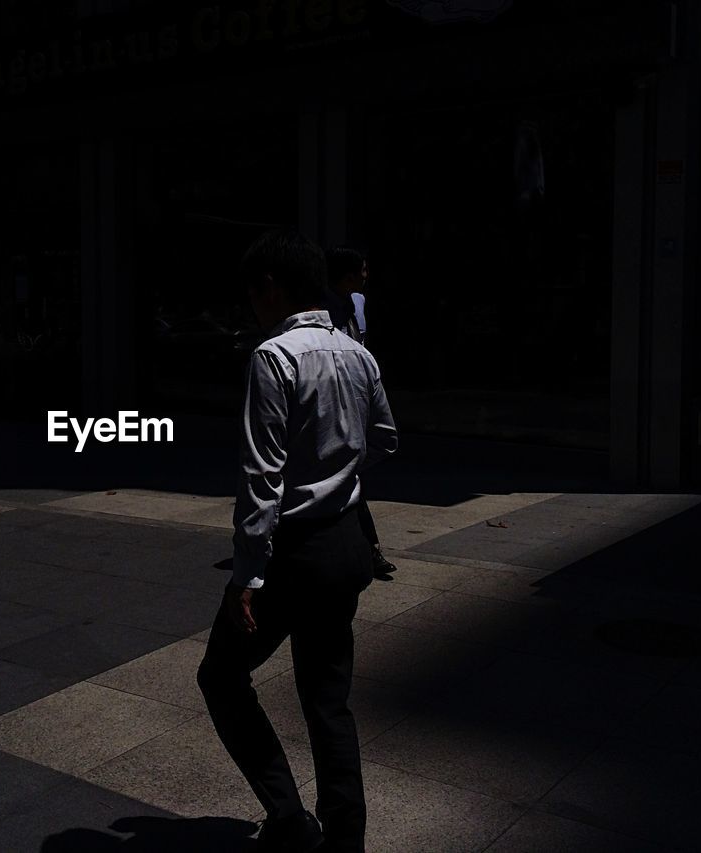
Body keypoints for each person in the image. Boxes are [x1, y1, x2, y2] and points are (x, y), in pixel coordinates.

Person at [198, 229, 398, 853]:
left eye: (252, 291)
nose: (250, 305)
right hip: (344, 546)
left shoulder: (274, 356)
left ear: (271, 287)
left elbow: (262, 478)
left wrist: (246, 576)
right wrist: (340, 457)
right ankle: (346, 841)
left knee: (222, 677)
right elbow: (386, 438)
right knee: (327, 700)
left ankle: (287, 818)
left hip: (293, 552)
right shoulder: (356, 353)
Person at [325, 246, 397, 582]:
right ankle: (370, 548)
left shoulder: (360, 304)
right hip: (334, 394)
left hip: (360, 392)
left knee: (366, 459)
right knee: (352, 476)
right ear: (348, 274)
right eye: (362, 270)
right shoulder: (322, 308)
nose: (367, 276)